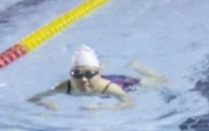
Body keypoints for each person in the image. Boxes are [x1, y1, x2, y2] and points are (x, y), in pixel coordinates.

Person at [28, 45, 161, 110]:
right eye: (77, 74)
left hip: (120, 83)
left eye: (89, 74)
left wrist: (100, 107)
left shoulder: (111, 88)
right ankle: (98, 68)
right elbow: (33, 98)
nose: (83, 79)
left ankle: (136, 66)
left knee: (159, 81)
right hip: (97, 79)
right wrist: (48, 104)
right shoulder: (65, 86)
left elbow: (129, 102)